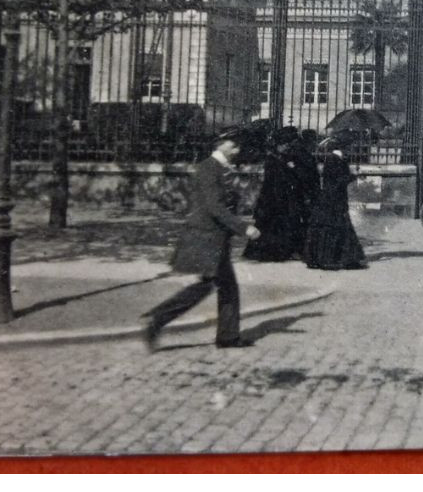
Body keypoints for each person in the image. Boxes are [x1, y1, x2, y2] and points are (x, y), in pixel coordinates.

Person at [143, 129, 260, 351]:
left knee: (226, 286)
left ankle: (228, 336)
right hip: (205, 236)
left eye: (238, 146)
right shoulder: (208, 168)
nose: (238, 150)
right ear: (221, 144)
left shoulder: (221, 169)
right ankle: (157, 318)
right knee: (208, 285)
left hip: (216, 237)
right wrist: (243, 227)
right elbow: (214, 207)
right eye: (233, 145)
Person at [303, 144, 369, 270]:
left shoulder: (335, 159)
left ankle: (335, 258)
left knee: (338, 228)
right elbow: (337, 181)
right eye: (349, 148)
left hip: (334, 199)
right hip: (333, 200)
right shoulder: (334, 160)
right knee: (336, 227)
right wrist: (354, 175)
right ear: (343, 148)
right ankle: (333, 259)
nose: (350, 151)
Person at [243, 126, 303, 262]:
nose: (287, 147)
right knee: (270, 225)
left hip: (280, 196)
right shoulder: (272, 160)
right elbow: (274, 182)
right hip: (273, 197)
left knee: (279, 225)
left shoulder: (281, 158)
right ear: (279, 144)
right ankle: (267, 253)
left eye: (288, 144)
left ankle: (280, 252)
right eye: (285, 144)